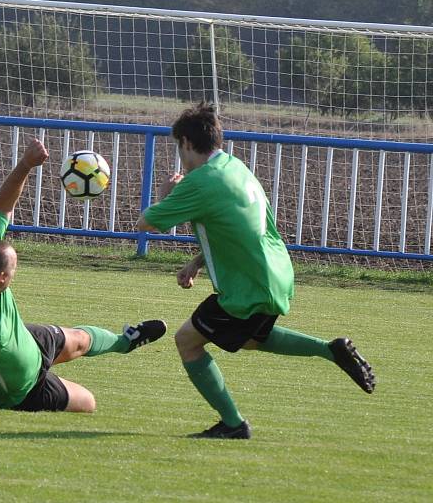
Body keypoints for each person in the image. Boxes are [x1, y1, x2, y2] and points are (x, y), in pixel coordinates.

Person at [136, 105, 375, 439]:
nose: (180, 156)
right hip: (274, 273)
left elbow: (146, 223)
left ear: (187, 143)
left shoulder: (199, 182)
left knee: (187, 342)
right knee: (249, 339)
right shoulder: (234, 167)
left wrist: (164, 196)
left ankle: (234, 425)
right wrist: (197, 261)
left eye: (179, 147)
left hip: (247, 286)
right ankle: (330, 349)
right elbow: (236, 229)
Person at [0, 138, 167, 417]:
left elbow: (1, 210)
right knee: (88, 402)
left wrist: (25, 165)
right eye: (14, 271)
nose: (15, 275)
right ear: (0, 279)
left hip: (26, 340)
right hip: (21, 390)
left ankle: (125, 341)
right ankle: (107, 351)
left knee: (80, 339)